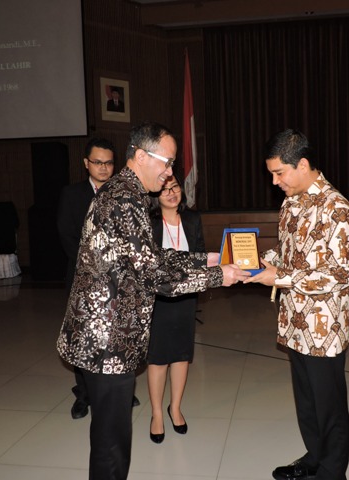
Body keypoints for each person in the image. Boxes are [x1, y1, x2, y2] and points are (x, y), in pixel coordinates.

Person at [56, 121, 250, 480]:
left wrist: (205, 259)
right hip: (108, 342)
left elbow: (152, 257)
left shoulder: (127, 194)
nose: (170, 172)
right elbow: (154, 276)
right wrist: (219, 276)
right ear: (142, 156)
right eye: (167, 162)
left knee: (109, 437)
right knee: (112, 443)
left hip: (108, 336)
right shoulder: (124, 200)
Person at [244, 129, 349, 480]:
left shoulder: (337, 209)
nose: (275, 181)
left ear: (303, 164)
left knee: (330, 406)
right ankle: (314, 459)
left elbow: (339, 275)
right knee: (307, 402)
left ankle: (332, 472)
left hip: (324, 329)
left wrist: (279, 278)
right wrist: (264, 260)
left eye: (279, 173)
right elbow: (292, 254)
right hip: (294, 321)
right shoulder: (291, 202)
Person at [57, 137, 116, 420]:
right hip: (82, 278)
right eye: (97, 162)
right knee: (82, 340)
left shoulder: (123, 193)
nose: (103, 168)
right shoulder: (72, 194)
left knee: (115, 339)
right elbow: (66, 235)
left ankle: (118, 391)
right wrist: (91, 268)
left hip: (117, 281)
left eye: (108, 163)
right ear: (86, 163)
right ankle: (84, 395)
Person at [147, 174, 203, 444]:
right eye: (165, 190)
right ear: (155, 196)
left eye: (175, 188)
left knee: (181, 355)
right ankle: (157, 413)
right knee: (158, 358)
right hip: (158, 300)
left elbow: (201, 255)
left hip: (186, 297)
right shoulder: (149, 222)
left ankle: (175, 407)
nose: (171, 193)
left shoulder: (192, 219)